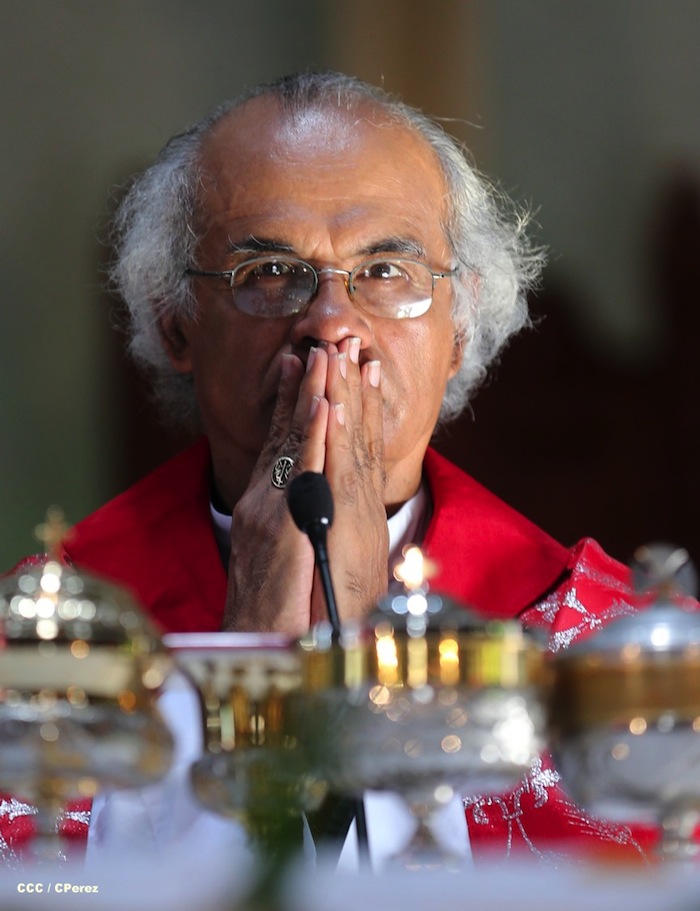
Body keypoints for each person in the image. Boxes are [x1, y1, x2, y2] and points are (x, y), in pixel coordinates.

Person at [6, 72, 656, 862]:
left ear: (457, 330)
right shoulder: (35, 651)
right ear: (176, 324)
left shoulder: (623, 657)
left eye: (386, 272)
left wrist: (368, 662)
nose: (332, 323)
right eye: (270, 273)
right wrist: (253, 661)